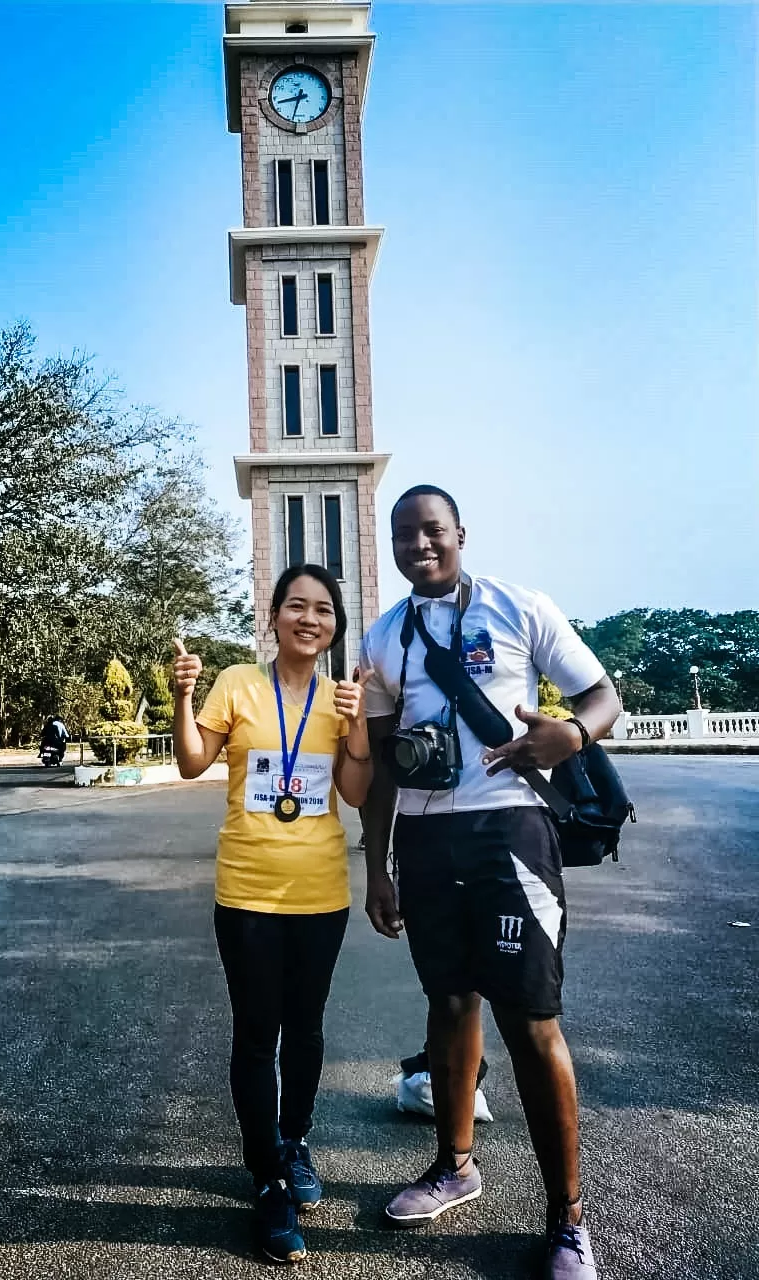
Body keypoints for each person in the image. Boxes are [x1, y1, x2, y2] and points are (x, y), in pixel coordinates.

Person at [360, 486, 619, 1280]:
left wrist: (570, 733)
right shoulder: (382, 635)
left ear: (460, 534)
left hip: (511, 831)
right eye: (404, 535)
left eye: (432, 531)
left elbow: (602, 697)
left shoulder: (518, 605)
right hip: (428, 839)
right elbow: (375, 768)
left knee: (532, 1018)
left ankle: (568, 1218)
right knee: (447, 1001)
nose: (419, 546)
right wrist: (377, 866)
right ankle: (454, 1165)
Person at [172, 564, 372, 1264]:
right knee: (257, 1035)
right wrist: (183, 695)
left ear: (334, 626)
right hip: (248, 892)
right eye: (296, 605)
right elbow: (194, 762)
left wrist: (357, 729)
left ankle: (295, 1141)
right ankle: (267, 1181)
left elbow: (352, 791)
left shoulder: (339, 697)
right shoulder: (237, 683)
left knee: (306, 1028)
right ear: (275, 617)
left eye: (322, 609)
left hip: (320, 894)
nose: (308, 618)